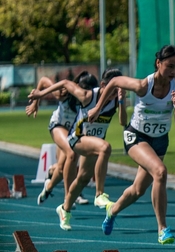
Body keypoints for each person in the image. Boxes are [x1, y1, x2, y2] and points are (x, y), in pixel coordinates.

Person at [88, 45, 175, 244]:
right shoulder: (143, 85)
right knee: (160, 171)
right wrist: (97, 108)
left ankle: (112, 211)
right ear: (158, 63)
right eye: (169, 66)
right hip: (136, 137)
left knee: (138, 190)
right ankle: (162, 228)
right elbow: (114, 81)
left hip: (159, 141)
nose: (173, 72)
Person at [28, 68, 126, 230]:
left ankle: (64, 209)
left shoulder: (116, 100)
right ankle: (99, 194)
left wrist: (121, 102)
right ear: (103, 85)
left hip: (93, 142)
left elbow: (123, 122)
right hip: (77, 139)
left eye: (119, 89)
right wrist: (39, 95)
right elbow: (66, 83)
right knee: (105, 148)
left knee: (82, 178)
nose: (115, 93)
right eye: (113, 89)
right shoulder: (88, 96)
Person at [26, 71, 98, 206]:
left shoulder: (93, 99)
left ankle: (48, 186)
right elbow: (43, 80)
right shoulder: (63, 93)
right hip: (57, 126)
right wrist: (36, 102)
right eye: (85, 91)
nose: (87, 96)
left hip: (72, 132)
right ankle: (69, 196)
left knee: (60, 169)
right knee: (72, 153)